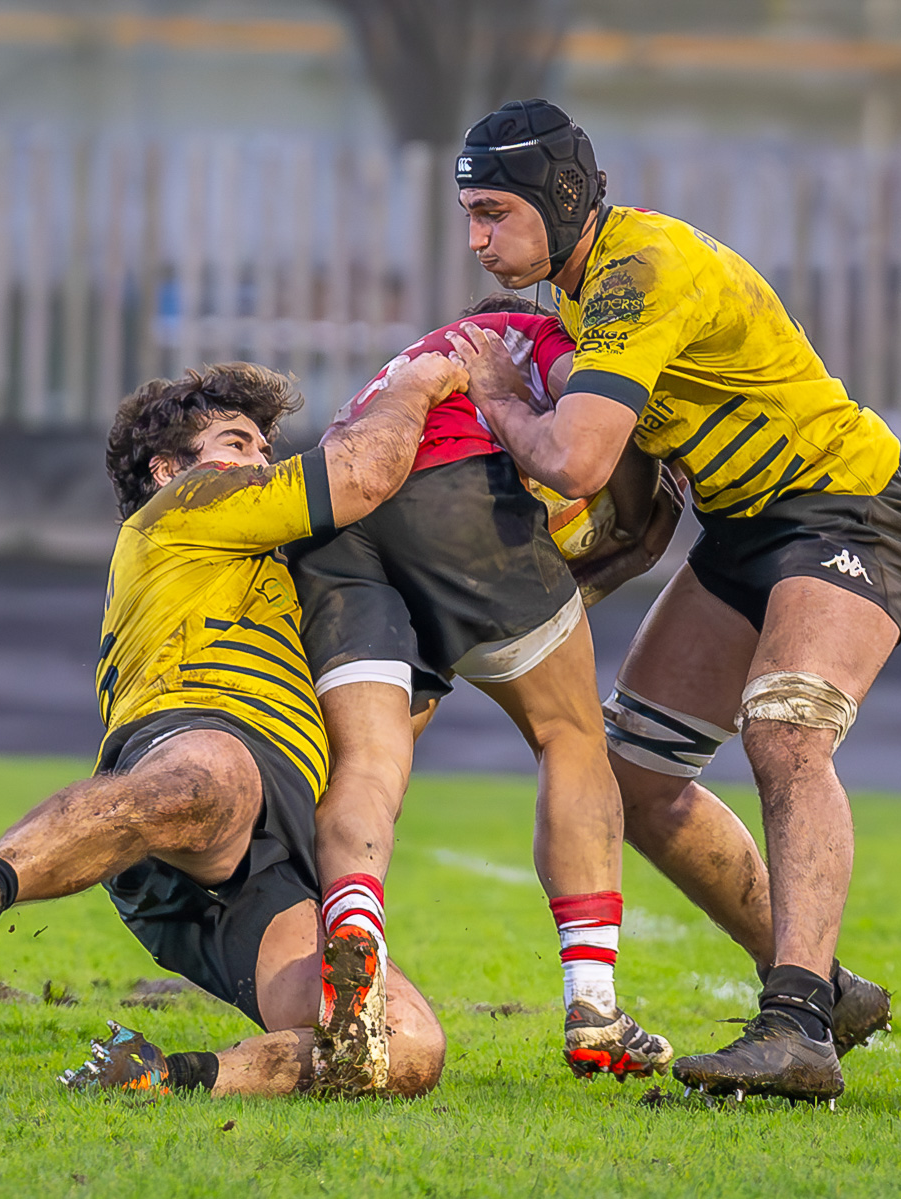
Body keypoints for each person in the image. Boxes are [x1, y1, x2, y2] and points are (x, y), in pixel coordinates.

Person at [449, 99, 901, 1103]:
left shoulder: (637, 274)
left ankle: (794, 1026)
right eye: (468, 213)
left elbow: (578, 458)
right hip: (748, 528)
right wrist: (557, 594)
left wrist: (496, 396)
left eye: (493, 209)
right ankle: (825, 990)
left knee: (789, 732)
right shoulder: (586, 293)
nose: (476, 237)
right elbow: (641, 514)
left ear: (560, 197)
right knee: (629, 777)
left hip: (847, 508)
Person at [0, 358, 465, 1099]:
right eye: (238, 442)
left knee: (406, 1047)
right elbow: (364, 472)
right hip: (198, 744)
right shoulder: (192, 504)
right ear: (165, 468)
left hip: (270, 866)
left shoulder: (278, 573)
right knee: (212, 780)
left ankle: (166, 1077)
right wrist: (420, 380)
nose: (260, 462)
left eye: (264, 448)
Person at [288, 293, 682, 1092]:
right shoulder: (524, 336)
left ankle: (353, 921)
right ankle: (595, 1006)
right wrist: (637, 520)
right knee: (569, 734)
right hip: (455, 497)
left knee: (368, 760)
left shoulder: (397, 371)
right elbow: (595, 442)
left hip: (337, 524)